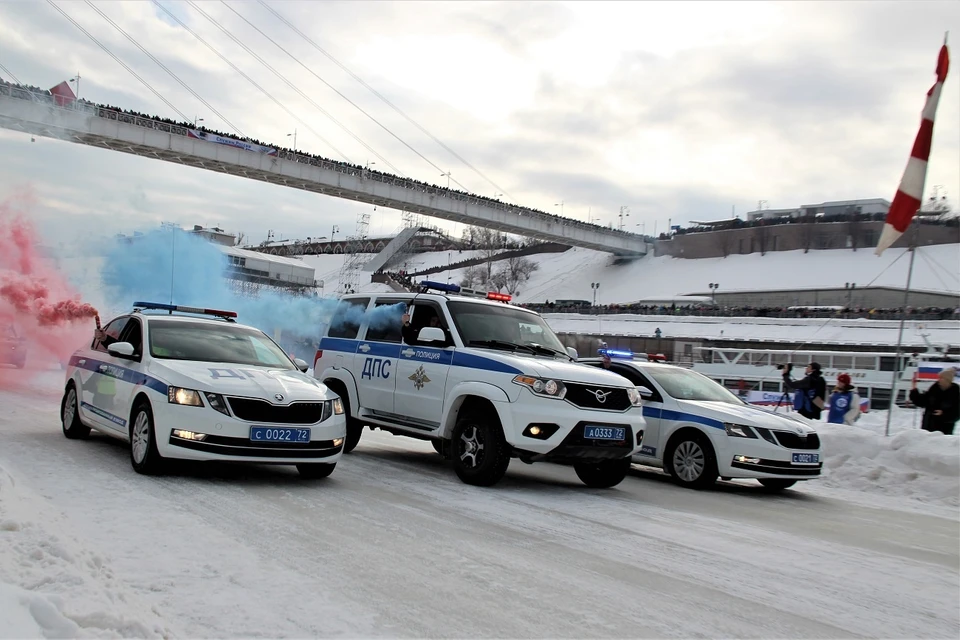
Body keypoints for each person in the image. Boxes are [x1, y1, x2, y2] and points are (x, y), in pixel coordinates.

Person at [909, 367, 959, 435]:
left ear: (948, 380)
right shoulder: (934, 389)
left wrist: (943, 413)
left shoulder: (955, 392)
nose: (939, 380)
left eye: (941, 378)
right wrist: (914, 389)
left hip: (944, 431)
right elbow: (922, 401)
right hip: (927, 428)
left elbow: (957, 413)